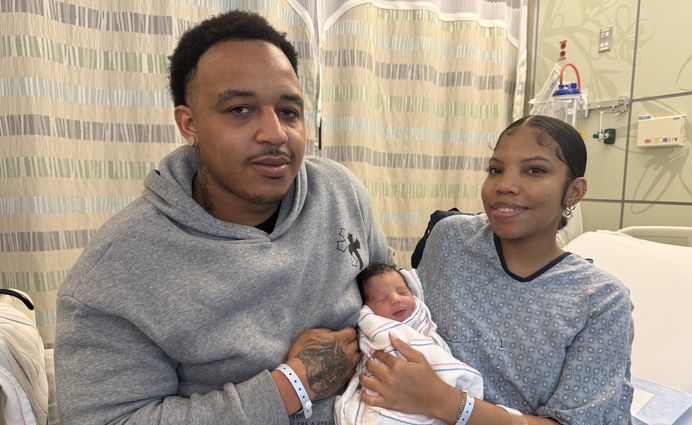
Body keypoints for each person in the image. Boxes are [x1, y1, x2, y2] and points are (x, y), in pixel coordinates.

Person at [54, 10, 394, 425]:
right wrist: (291, 387)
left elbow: (388, 292)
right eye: (240, 109)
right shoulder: (116, 271)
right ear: (189, 123)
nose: (274, 134)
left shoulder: (339, 193)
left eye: (289, 111)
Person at [359, 115, 634, 425]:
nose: (504, 185)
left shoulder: (600, 300)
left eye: (535, 170)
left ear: (574, 191)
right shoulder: (450, 240)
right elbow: (408, 321)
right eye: (495, 170)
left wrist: (446, 402)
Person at [334, 264, 483, 425]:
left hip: (436, 396)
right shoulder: (376, 329)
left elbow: (438, 357)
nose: (396, 299)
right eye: (382, 299)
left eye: (403, 292)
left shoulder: (424, 326)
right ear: (368, 310)